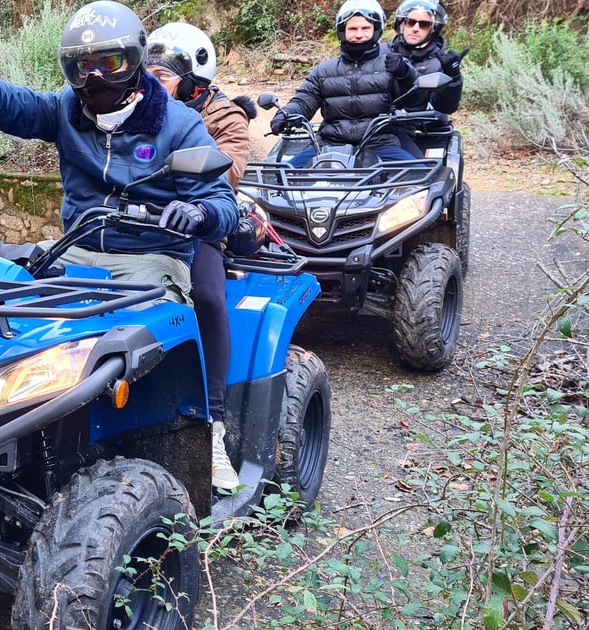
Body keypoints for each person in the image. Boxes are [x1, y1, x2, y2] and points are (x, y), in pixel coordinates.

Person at [0, 1, 240, 487]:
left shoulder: (177, 123)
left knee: (141, 336)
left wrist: (199, 213)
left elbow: (221, 201)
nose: (94, 78)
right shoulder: (65, 109)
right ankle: (3, 426)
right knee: (13, 319)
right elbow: (17, 107)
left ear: (135, 60)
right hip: (77, 247)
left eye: (109, 63)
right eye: (82, 67)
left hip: (152, 253)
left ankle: (207, 432)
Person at [146, 21, 256, 490]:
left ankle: (213, 427)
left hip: (199, 223)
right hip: (136, 225)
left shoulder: (224, 115)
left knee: (208, 297)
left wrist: (187, 198)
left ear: (193, 80)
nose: (151, 84)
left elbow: (227, 171)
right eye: (147, 74)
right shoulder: (132, 106)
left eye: (162, 77)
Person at [269, 0, 421, 167]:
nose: (359, 34)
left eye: (365, 28)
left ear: (376, 30)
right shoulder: (323, 71)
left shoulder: (392, 65)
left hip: (379, 144)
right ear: (342, 32)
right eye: (353, 29)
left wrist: (405, 74)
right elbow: (303, 101)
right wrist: (285, 115)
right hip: (328, 145)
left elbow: (414, 100)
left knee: (419, 175)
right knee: (282, 174)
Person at [389, 0, 466, 157]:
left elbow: (445, 107)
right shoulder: (384, 54)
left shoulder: (441, 62)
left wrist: (453, 77)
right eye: (410, 22)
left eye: (424, 24)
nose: (415, 28)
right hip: (380, 127)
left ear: (433, 29)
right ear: (401, 24)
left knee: (421, 170)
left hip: (422, 127)